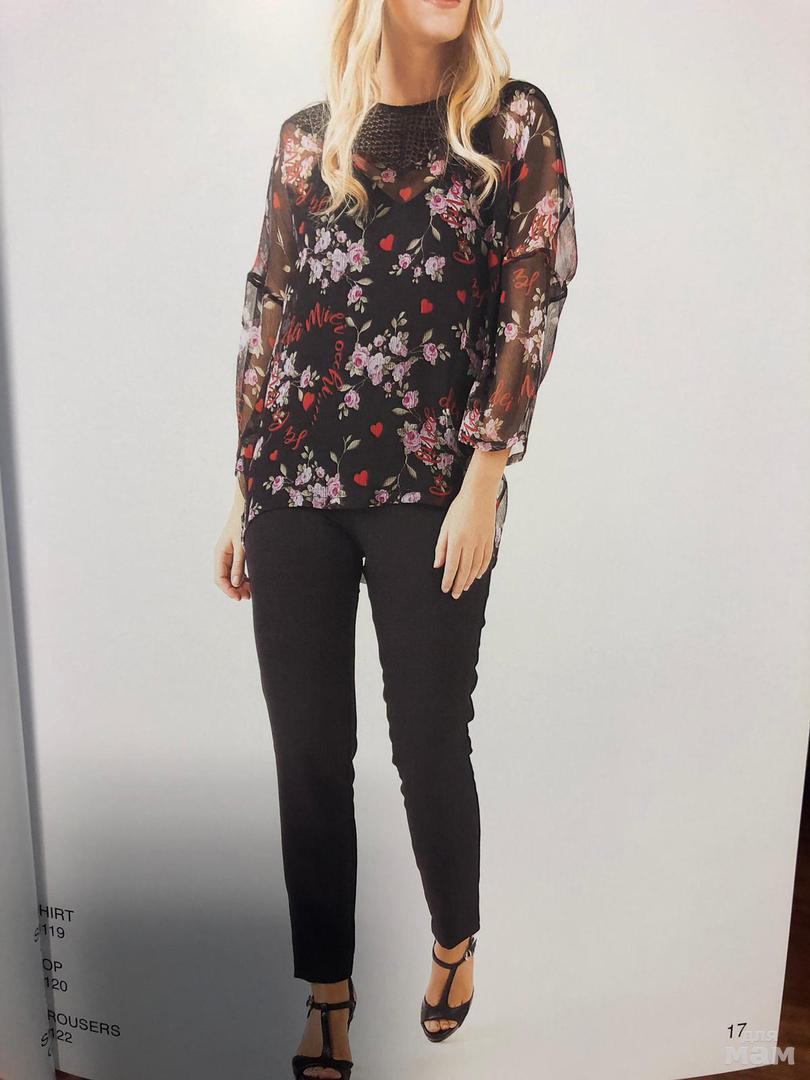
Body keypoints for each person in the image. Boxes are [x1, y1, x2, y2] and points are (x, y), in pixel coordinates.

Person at [213, 0, 578, 1075]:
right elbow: (268, 309)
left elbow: (534, 290)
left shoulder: (510, 124)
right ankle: (328, 990)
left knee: (427, 739)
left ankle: (454, 939)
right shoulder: (306, 140)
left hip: (432, 481)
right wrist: (241, 489)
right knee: (308, 750)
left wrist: (488, 474)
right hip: (293, 481)